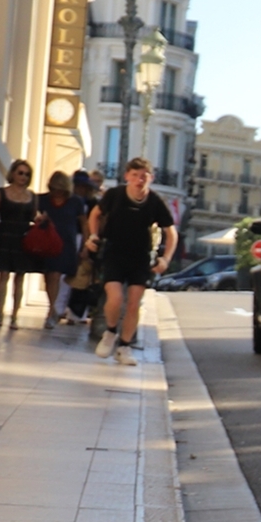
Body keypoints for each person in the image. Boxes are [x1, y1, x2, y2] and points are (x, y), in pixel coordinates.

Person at [87, 156, 175, 366]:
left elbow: (171, 232)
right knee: (115, 298)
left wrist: (165, 259)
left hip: (140, 258)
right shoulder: (114, 195)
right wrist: (93, 236)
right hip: (114, 253)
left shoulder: (154, 201)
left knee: (134, 303)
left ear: (150, 178)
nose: (139, 180)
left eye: (143, 176)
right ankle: (110, 332)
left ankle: (124, 346)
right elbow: (95, 214)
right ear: (127, 176)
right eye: (134, 175)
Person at [0, 157, 42, 327]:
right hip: (4, 235)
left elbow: (33, 217)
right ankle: (0, 313)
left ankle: (15, 315)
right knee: (3, 275)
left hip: (23, 237)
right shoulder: (1, 193)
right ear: (13, 173)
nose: (23, 176)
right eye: (20, 173)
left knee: (20, 277)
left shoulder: (32, 197)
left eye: (27, 174)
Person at [35, 171, 85, 326]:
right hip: (46, 242)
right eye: (54, 188)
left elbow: (84, 224)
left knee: (56, 275)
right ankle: (53, 308)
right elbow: (33, 216)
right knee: (47, 275)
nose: (57, 192)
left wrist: (85, 245)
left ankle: (51, 310)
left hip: (65, 243)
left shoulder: (75, 202)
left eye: (60, 189)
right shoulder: (41, 199)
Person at [65, 170, 103, 333]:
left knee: (82, 279)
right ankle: (65, 309)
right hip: (69, 238)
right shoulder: (70, 201)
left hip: (84, 240)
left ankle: (77, 312)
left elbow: (92, 223)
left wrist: (88, 245)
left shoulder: (93, 203)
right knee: (65, 278)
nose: (79, 189)